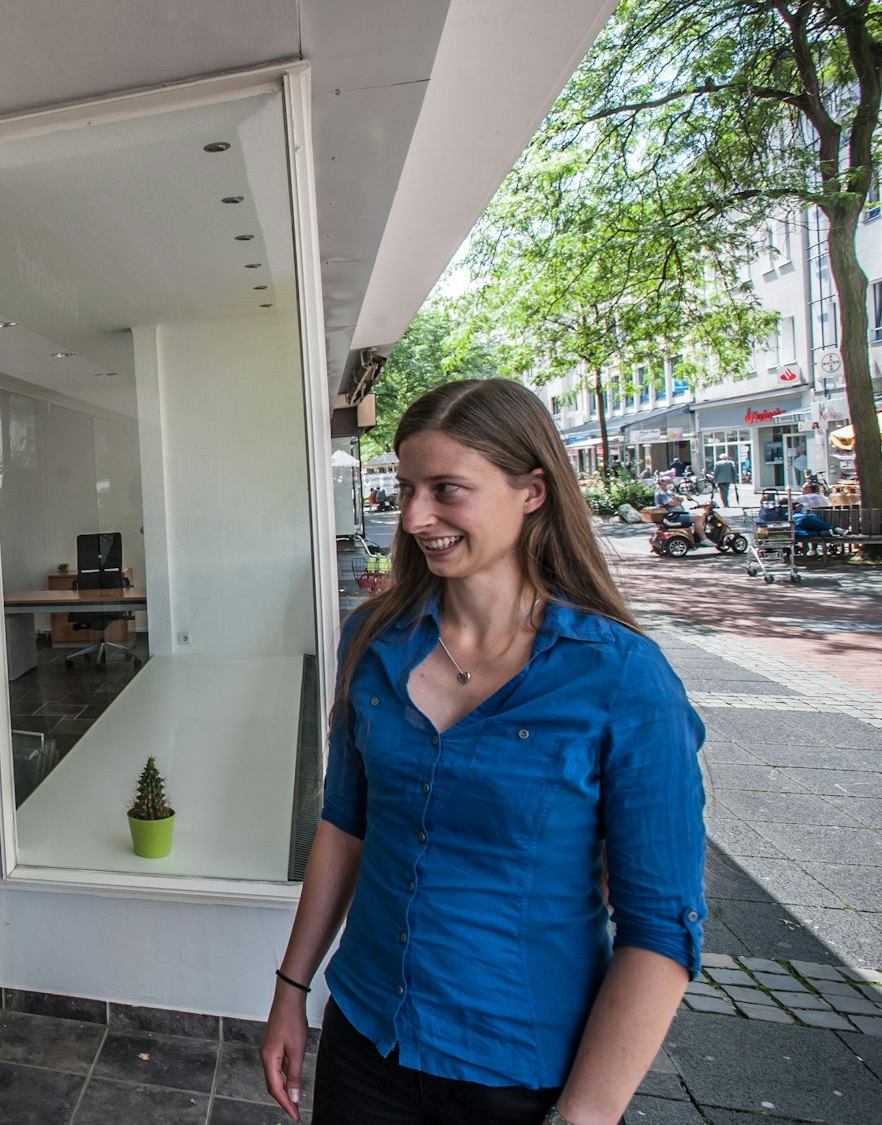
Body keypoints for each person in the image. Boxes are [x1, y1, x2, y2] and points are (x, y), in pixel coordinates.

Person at [260, 379, 704, 1125]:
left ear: (532, 490)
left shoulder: (622, 679)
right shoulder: (374, 642)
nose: (413, 516)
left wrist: (584, 1115)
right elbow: (345, 824)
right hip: (364, 1045)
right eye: (406, 487)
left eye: (446, 489)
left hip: (523, 1080)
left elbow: (660, 929)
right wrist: (290, 989)